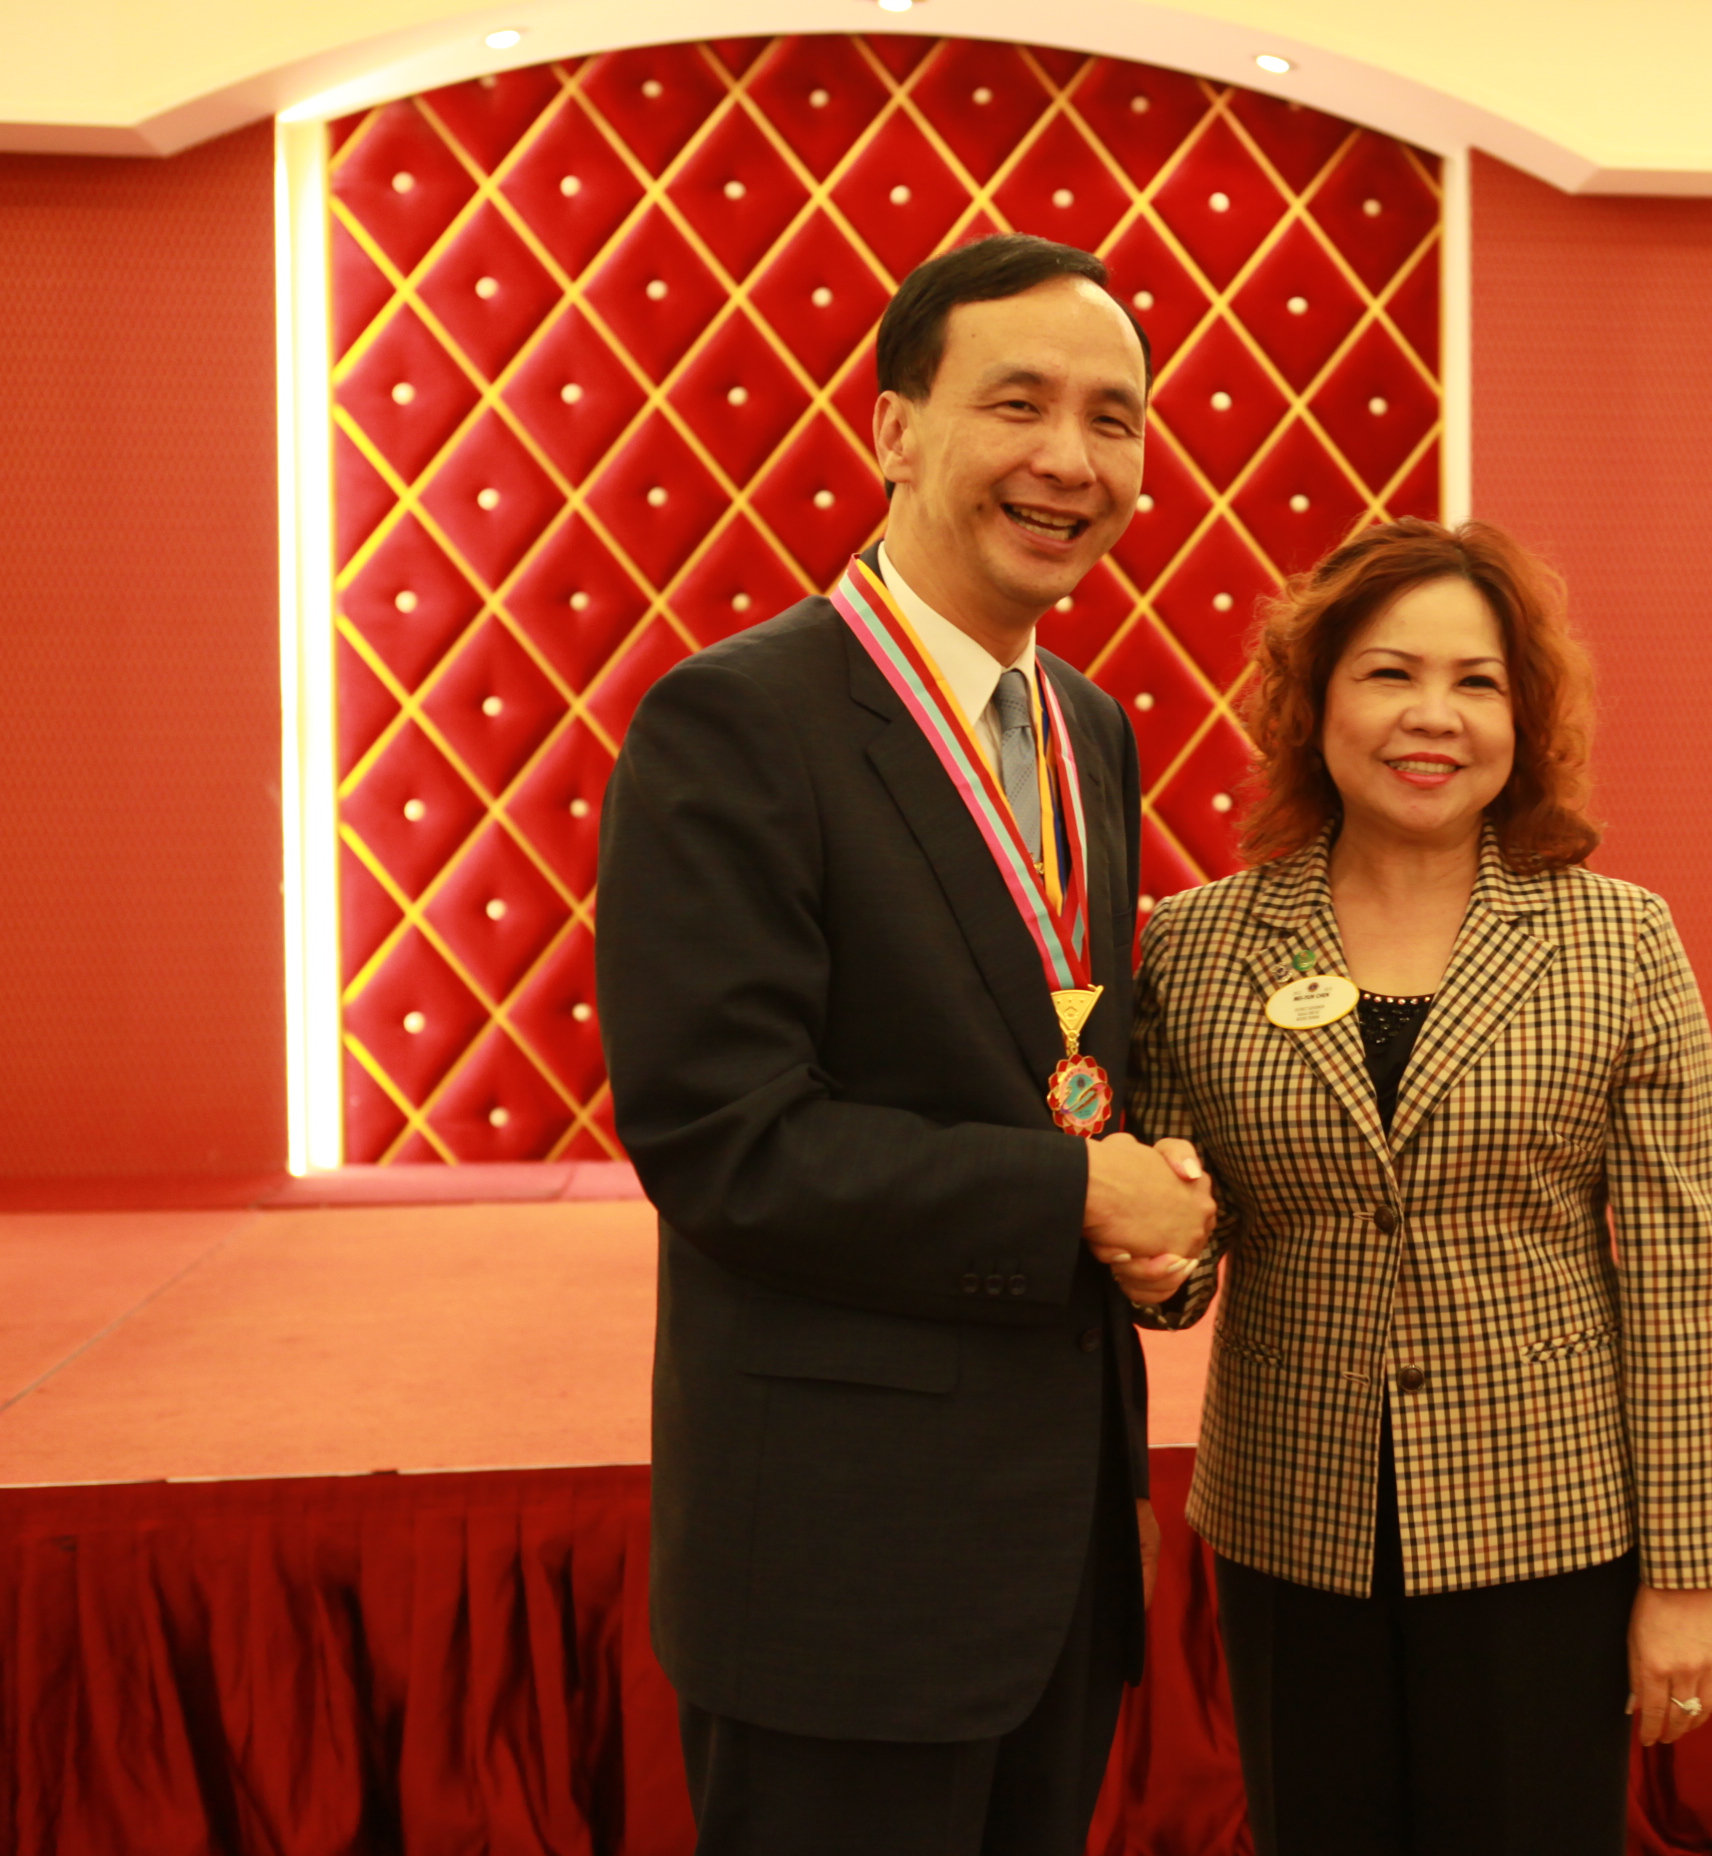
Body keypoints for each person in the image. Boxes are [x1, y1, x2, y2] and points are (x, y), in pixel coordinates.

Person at [596, 234, 1215, 1856]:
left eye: (1114, 419)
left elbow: (1068, 1075)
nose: (1071, 459)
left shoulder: (1089, 729)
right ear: (892, 429)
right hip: (840, 1573)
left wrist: (1159, 1220)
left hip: (1054, 1563)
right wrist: (1078, 1200)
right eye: (1019, 404)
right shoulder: (737, 721)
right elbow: (728, 1144)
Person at [1114, 519, 1712, 1855]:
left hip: (1547, 1521)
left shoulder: (1620, 939)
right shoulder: (1203, 944)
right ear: (1316, 702)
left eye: (1478, 682)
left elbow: (1682, 1280)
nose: (1433, 716)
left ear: (1525, 717)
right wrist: (1157, 1254)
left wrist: (1688, 1574)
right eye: (1391, 674)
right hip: (1293, 1519)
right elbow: (1176, 1256)